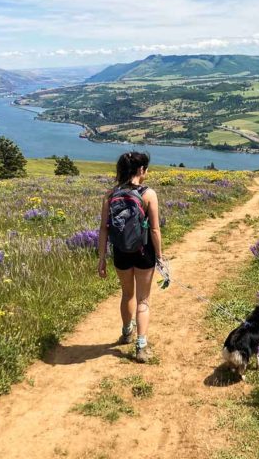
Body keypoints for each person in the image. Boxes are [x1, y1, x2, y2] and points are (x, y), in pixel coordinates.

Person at [98, 152, 163, 363]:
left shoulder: (110, 194)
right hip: (144, 253)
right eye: (146, 168)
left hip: (120, 252)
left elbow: (103, 230)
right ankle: (141, 346)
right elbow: (154, 229)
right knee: (143, 299)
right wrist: (160, 257)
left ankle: (127, 332)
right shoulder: (148, 194)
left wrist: (101, 258)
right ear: (140, 170)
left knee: (127, 295)